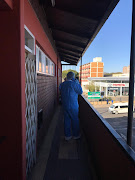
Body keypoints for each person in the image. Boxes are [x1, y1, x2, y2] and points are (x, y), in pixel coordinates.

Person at [59, 72, 83, 141]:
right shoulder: (74, 84)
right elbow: (80, 92)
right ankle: (76, 135)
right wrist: (77, 83)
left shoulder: (62, 84)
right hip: (73, 106)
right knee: (75, 120)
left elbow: (60, 90)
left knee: (67, 120)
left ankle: (67, 136)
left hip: (65, 105)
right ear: (73, 77)